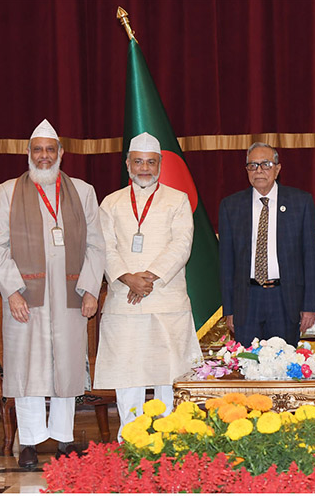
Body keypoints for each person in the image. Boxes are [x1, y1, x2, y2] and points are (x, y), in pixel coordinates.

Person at [0, 119, 105, 468]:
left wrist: (90, 290)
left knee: (66, 367)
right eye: (38, 149)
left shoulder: (83, 191)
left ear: (61, 153)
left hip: (70, 294)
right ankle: (30, 440)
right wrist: (12, 291)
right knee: (28, 367)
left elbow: (96, 245)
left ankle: (64, 438)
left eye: (50, 149)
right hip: (26, 296)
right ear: (28, 153)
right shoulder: (8, 191)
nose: (44, 156)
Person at [95, 132, 201, 438]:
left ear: (160, 164)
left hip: (166, 301)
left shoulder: (177, 200)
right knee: (127, 373)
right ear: (128, 164)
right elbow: (105, 246)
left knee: (168, 373)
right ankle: (130, 437)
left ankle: (168, 437)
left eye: (151, 162)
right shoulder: (111, 202)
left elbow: (181, 245)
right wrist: (128, 278)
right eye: (138, 162)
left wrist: (149, 276)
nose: (144, 168)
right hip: (124, 301)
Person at [218, 142, 315, 347]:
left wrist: (309, 306)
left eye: (265, 164)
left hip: (285, 299)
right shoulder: (231, 206)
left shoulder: (300, 202)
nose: (259, 171)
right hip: (246, 301)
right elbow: (226, 262)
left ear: (277, 168)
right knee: (247, 361)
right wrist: (229, 309)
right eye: (252, 165)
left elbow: (310, 257)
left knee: (285, 362)